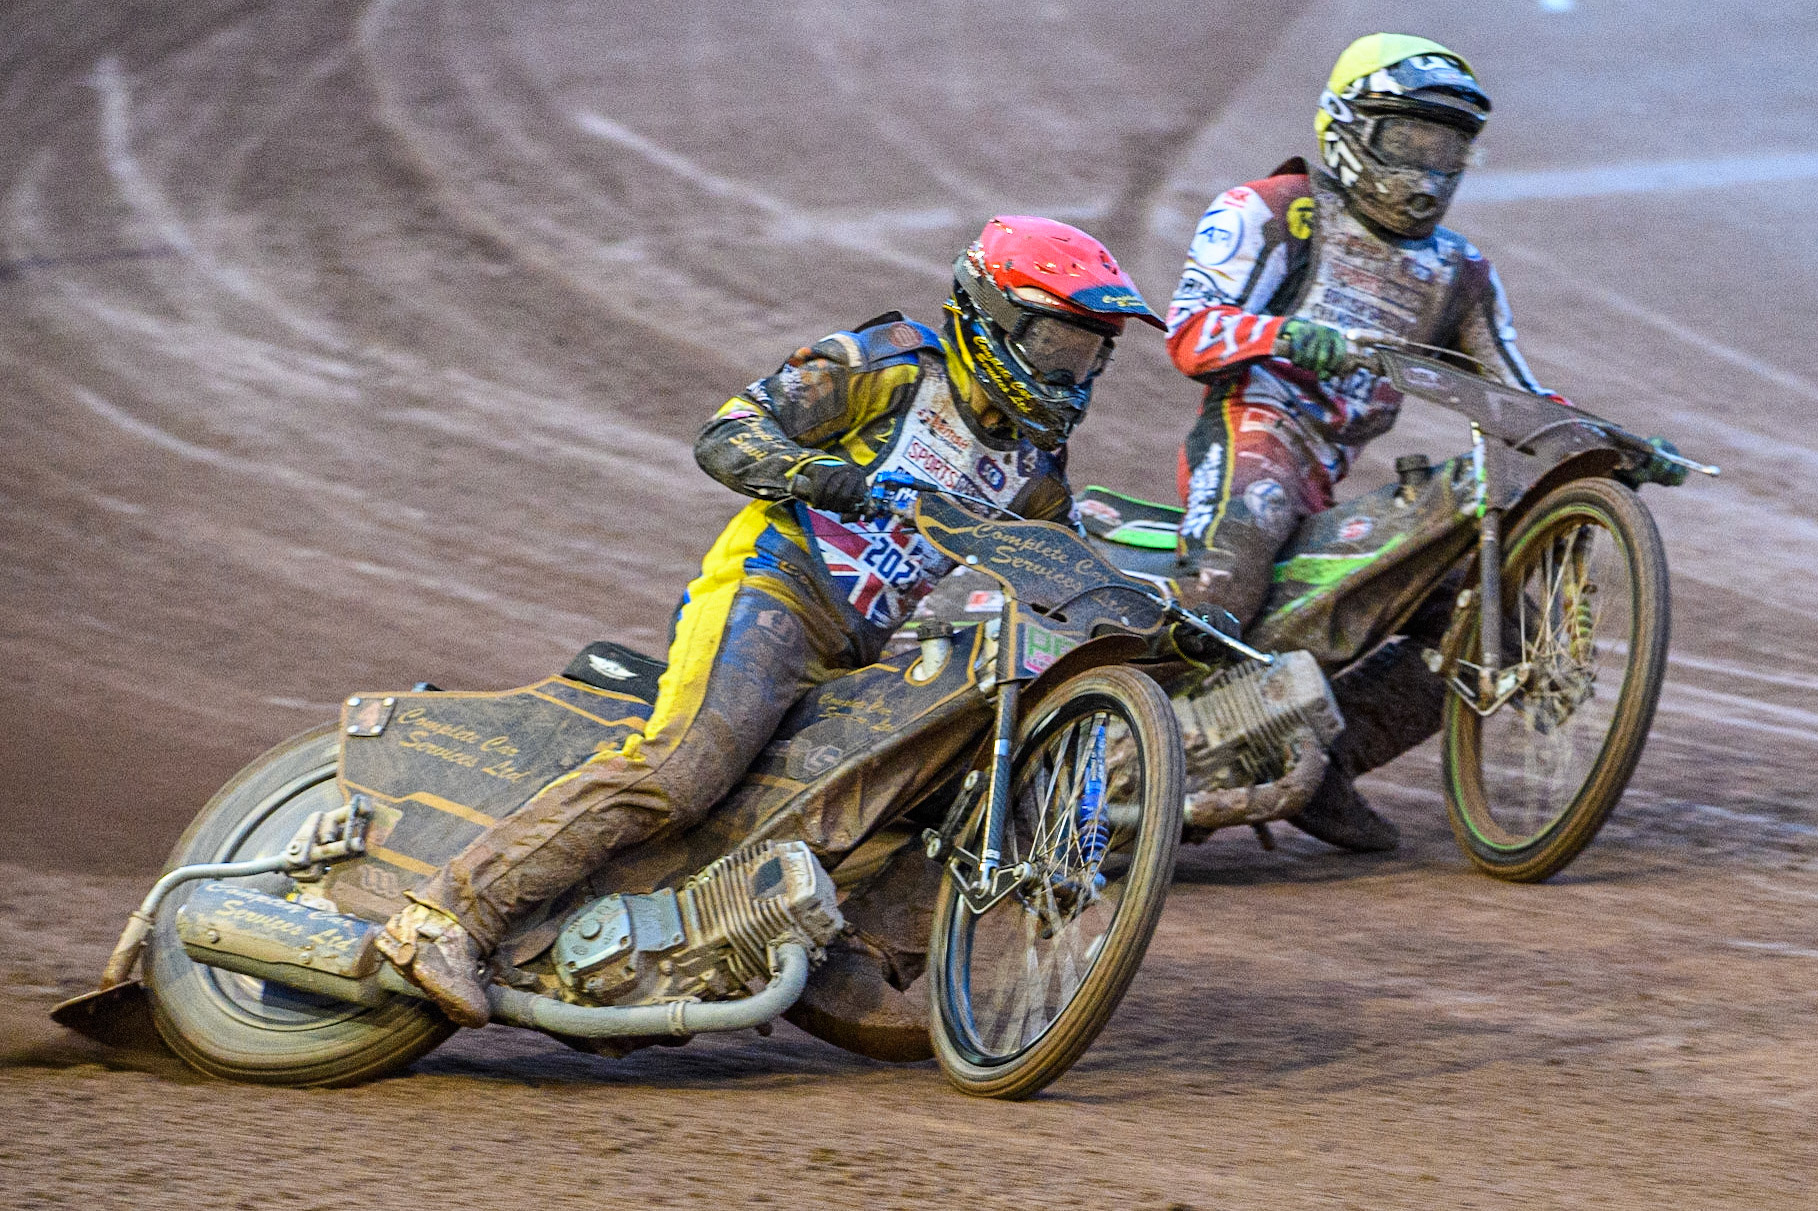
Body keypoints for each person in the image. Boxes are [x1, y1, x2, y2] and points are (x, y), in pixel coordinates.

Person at [375, 216, 1165, 1028]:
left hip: (859, 649)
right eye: (1056, 345)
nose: (1070, 373)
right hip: (771, 589)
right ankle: (445, 917)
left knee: (952, 788)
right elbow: (729, 432)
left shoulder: (1036, 469)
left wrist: (1161, 617)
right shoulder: (890, 367)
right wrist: (824, 476)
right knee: (683, 770)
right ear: (993, 317)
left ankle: (858, 958)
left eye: (1088, 356)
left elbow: (1059, 569)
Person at [1162, 34, 1542, 853]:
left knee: (1494, 616)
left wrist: (1606, 446)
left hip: (1328, 480)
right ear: (1345, 129)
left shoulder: (1459, 271)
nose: (1427, 173)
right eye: (1407, 141)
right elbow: (1189, 332)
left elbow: (1517, 399)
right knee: (1234, 565)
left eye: (1446, 151)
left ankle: (1328, 763)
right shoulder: (1272, 209)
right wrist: (1285, 335)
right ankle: (1123, 749)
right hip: (1255, 431)